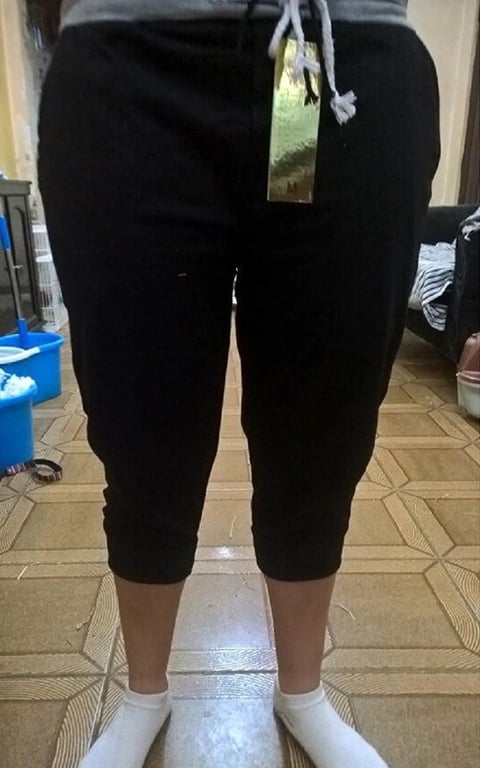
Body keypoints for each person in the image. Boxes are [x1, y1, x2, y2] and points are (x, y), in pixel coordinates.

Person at [37, 1, 440, 767]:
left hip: (324, 67)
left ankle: (302, 692)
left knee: (321, 422)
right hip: (132, 71)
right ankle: (145, 695)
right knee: (141, 417)